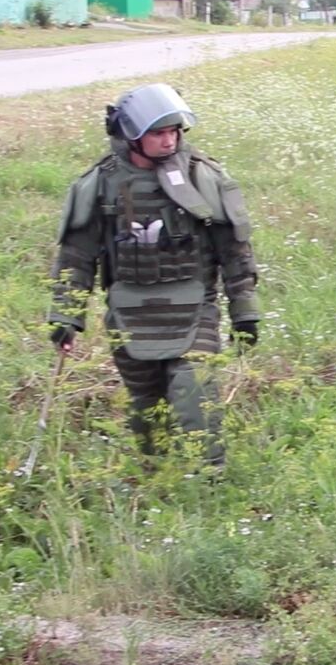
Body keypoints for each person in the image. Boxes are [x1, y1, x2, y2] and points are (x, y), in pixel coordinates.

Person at [47, 83, 260, 467]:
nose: (169, 141)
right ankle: (157, 479)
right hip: (130, 313)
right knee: (147, 407)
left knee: (195, 394)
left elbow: (235, 249)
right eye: (158, 133)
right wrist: (66, 317)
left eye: (174, 132)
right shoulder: (99, 184)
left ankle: (209, 482)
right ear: (131, 136)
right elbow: (75, 257)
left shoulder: (203, 177)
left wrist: (245, 309)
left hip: (195, 308)